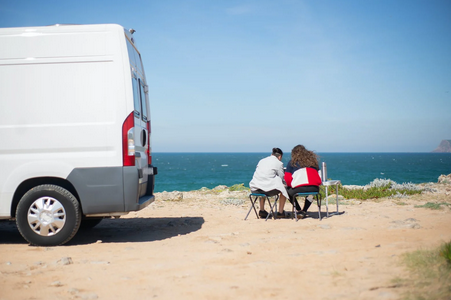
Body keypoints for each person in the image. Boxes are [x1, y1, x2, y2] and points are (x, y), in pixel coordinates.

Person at [284, 145, 322, 219]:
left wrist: (291, 185)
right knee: (311, 195)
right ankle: (304, 210)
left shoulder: (292, 163)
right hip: (313, 188)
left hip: (299, 189)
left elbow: (287, 179)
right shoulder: (313, 162)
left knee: (286, 192)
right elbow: (318, 175)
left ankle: (298, 209)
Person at [249, 148, 288, 219]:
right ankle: (280, 212)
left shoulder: (261, 161)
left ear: (271, 154)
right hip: (267, 191)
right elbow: (282, 178)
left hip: (255, 189)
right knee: (284, 188)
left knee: (262, 184)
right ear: (279, 157)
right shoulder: (279, 163)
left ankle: (262, 210)